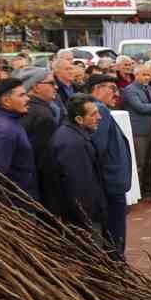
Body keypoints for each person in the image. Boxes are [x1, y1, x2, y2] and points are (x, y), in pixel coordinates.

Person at [43, 95, 108, 238]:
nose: (99, 117)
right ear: (79, 119)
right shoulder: (72, 143)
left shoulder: (72, 135)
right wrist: (89, 217)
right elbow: (80, 185)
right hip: (84, 219)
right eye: (93, 114)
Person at [86, 75, 133, 261]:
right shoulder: (100, 110)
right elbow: (98, 146)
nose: (116, 93)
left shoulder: (98, 109)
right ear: (97, 88)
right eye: (111, 88)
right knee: (115, 234)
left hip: (108, 182)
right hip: (110, 183)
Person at [0, 78, 41, 212]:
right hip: (17, 205)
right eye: (21, 95)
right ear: (6, 101)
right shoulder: (6, 130)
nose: (27, 99)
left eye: (26, 94)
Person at [121, 62, 151, 201]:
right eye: (144, 74)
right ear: (136, 75)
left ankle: (149, 191)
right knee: (140, 163)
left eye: (149, 75)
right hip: (138, 132)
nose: (147, 77)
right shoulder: (129, 90)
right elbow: (140, 108)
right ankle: (137, 192)